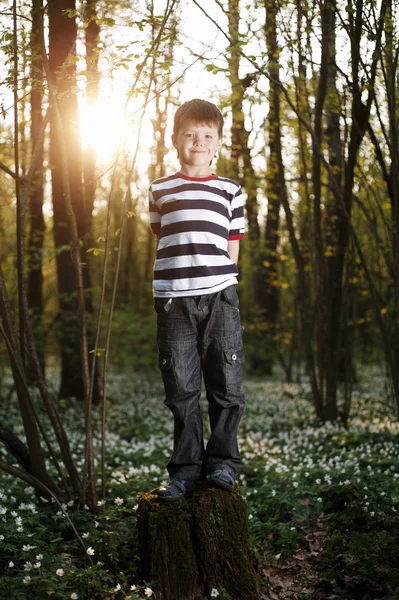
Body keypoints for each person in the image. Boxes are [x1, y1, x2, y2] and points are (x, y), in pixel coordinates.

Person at [148, 98, 246, 501]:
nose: (199, 142)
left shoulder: (231, 191)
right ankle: (185, 470)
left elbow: (232, 245)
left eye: (208, 135)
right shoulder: (159, 189)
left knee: (226, 383)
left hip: (220, 296)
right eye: (190, 135)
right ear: (176, 140)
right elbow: (162, 236)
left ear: (219, 142)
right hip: (173, 302)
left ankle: (223, 463)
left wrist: (224, 286)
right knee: (182, 389)